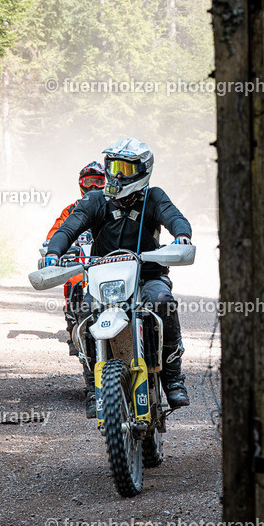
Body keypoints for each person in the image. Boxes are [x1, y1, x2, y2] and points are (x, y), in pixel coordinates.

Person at [45, 138, 192, 417]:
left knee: (163, 301)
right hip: (104, 281)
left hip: (147, 277)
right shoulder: (95, 200)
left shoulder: (154, 197)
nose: (118, 174)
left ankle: (173, 377)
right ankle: (92, 387)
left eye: (125, 167)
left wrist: (182, 236)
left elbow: (175, 217)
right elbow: (68, 228)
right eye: (113, 166)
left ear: (142, 169)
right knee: (84, 311)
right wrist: (53, 252)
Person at [42, 162, 107, 358]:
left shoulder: (110, 207)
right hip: (80, 261)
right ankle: (73, 325)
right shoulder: (71, 210)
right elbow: (57, 232)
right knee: (73, 282)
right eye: (89, 182)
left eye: (98, 181)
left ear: (106, 183)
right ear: (81, 184)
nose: (93, 186)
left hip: (106, 260)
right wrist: (50, 246)